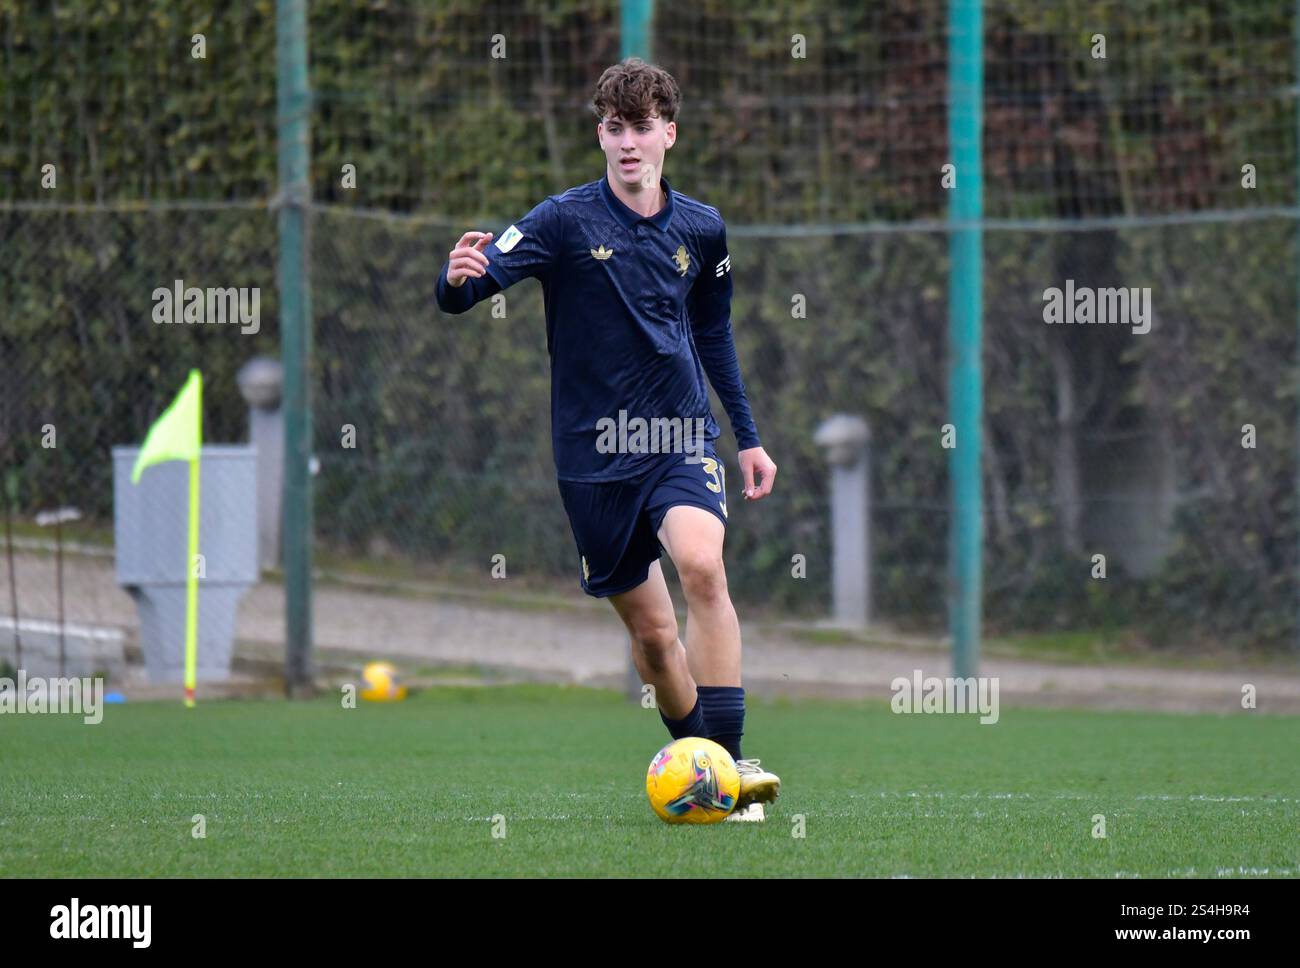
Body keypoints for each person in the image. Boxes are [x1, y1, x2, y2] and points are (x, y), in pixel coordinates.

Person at [436, 57, 780, 819]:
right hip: (591, 460)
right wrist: (456, 280)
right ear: (601, 135)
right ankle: (699, 759)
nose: (630, 143)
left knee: (702, 567)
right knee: (656, 642)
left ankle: (726, 769)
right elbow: (473, 286)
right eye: (616, 128)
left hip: (679, 432)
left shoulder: (703, 228)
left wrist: (746, 436)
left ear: (670, 135)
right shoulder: (563, 220)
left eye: (643, 128)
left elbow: (714, 334)